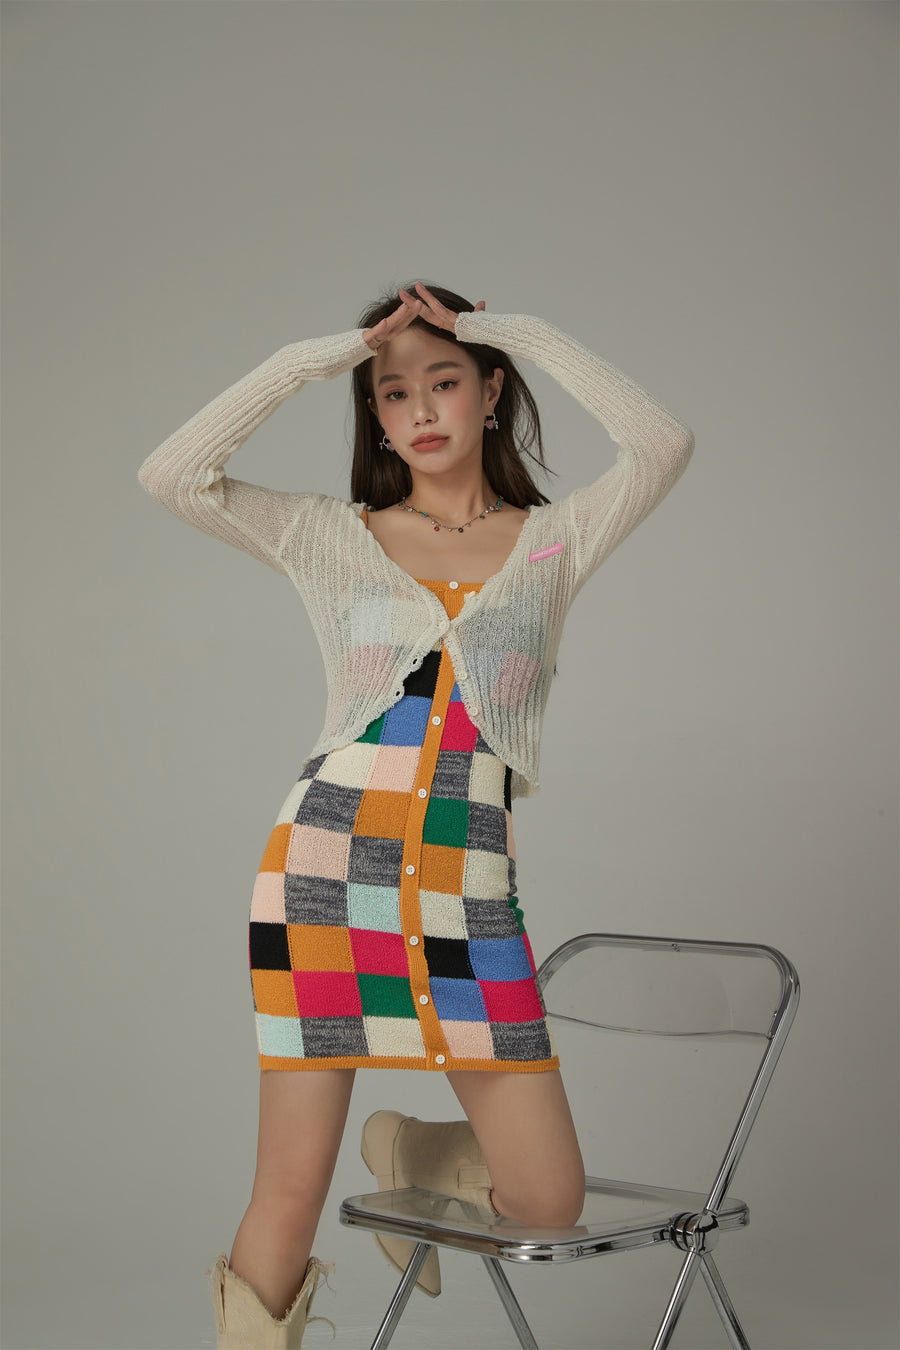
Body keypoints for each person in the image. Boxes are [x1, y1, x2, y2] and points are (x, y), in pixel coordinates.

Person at [137, 280, 694, 1348]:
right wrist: (318, 358)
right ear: (375, 414)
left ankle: (418, 1151)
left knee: (549, 1201)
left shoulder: (555, 540)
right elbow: (174, 475)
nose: (422, 409)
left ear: (491, 392)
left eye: (446, 381)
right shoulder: (328, 535)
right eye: (394, 393)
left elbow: (662, 444)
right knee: (289, 1191)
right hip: (320, 881)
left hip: (465, 893)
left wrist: (505, 330)